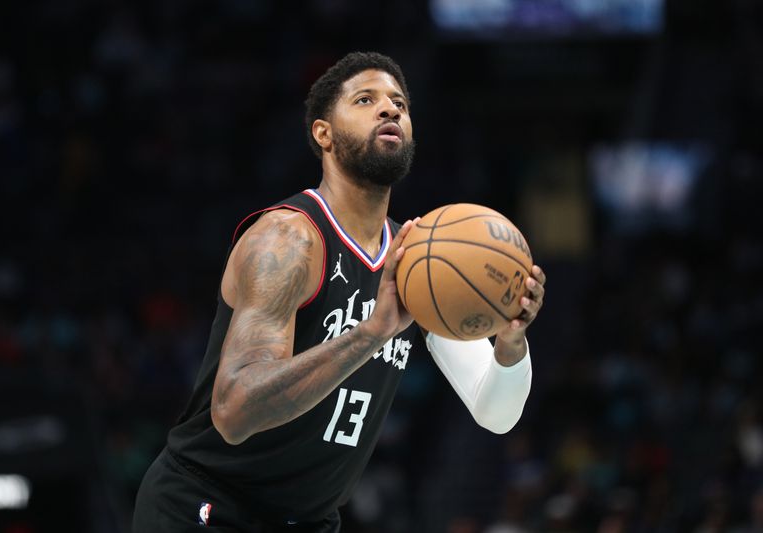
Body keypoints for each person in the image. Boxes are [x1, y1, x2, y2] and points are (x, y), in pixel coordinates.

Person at [133, 51, 546, 533]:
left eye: (399, 104)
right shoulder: (288, 239)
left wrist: (511, 343)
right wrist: (373, 333)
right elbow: (235, 410)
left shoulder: (421, 264)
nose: (390, 110)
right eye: (366, 100)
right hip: (207, 505)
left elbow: (495, 413)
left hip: (308, 521)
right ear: (323, 133)